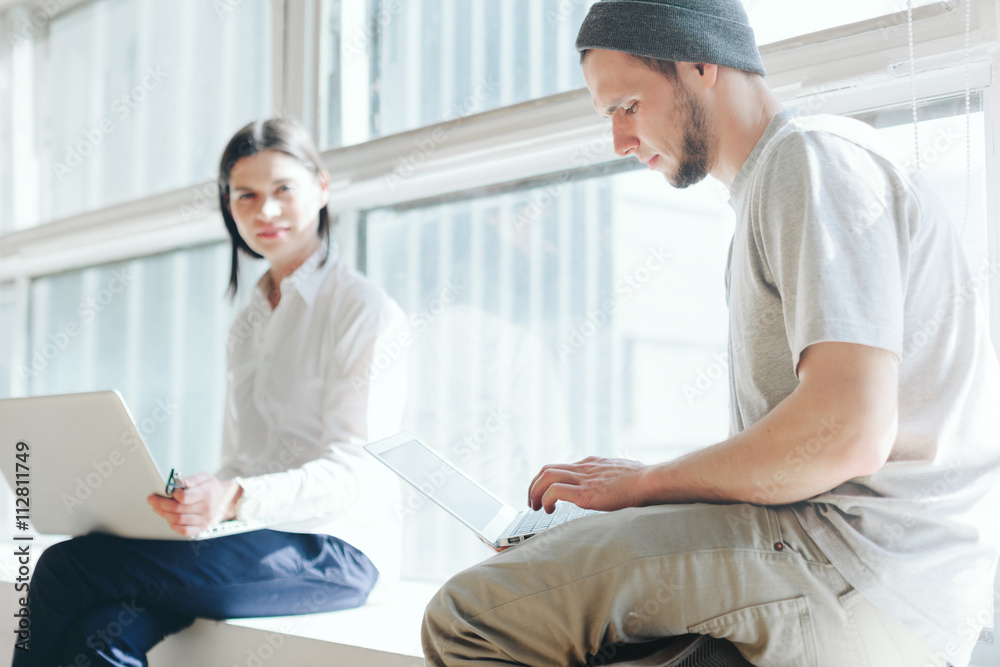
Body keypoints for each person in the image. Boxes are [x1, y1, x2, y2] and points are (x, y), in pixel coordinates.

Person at [421, 1, 1000, 666]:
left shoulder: (812, 159)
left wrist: (641, 487)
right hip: (856, 564)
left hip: (865, 569)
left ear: (700, 62)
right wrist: (638, 496)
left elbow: (847, 430)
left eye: (628, 105)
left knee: (468, 617)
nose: (619, 141)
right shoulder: (770, 191)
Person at [14, 117, 408, 666]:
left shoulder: (362, 309)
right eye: (245, 195)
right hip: (250, 535)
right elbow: (240, 459)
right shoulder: (248, 321)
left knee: (65, 567)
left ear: (321, 187)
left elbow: (357, 471)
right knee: (102, 630)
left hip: (334, 551)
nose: (264, 211)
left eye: (283, 190)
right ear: (229, 206)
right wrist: (202, 504)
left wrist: (239, 497)